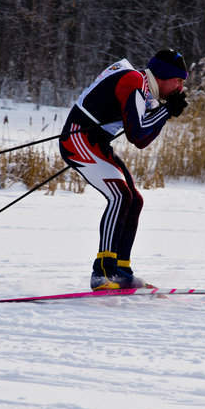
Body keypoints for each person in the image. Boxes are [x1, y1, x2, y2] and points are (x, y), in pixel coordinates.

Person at [59, 49, 188, 290]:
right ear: (163, 75)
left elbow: (142, 139)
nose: (180, 88)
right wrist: (166, 111)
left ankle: (121, 270)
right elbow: (137, 134)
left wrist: (163, 112)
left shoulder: (146, 91)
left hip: (97, 142)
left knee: (134, 200)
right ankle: (102, 273)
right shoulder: (134, 81)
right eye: (178, 80)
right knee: (119, 195)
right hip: (78, 138)